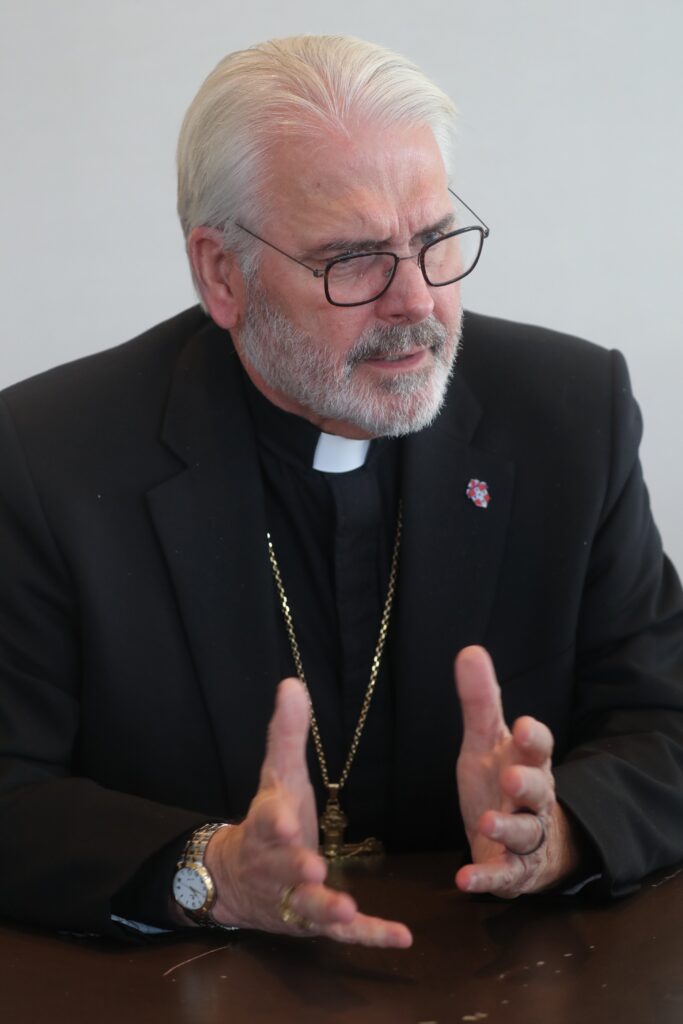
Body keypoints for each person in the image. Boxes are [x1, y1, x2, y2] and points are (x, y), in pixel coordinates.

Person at [1, 34, 682, 948]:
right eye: (352, 258)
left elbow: (663, 717)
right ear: (221, 273)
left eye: (434, 240)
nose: (415, 301)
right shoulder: (48, 458)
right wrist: (209, 873)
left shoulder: (569, 416)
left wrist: (557, 833)